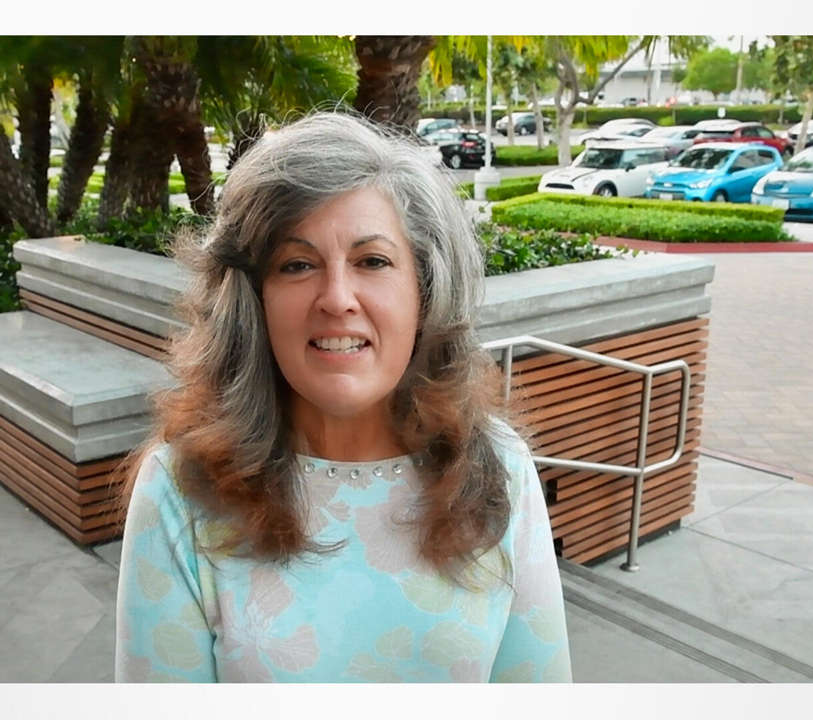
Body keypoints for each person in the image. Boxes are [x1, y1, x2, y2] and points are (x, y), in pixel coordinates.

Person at [113, 112, 571, 683]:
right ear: (255, 301)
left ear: (425, 292)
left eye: (372, 261)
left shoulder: (498, 467)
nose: (336, 298)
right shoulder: (181, 491)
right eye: (297, 264)